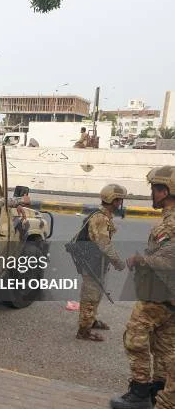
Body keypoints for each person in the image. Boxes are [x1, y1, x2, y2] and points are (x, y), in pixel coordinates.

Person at [110, 166, 175, 409]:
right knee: (165, 346)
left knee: (135, 338)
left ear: (165, 191)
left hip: (157, 296)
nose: (151, 193)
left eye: (154, 189)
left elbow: (169, 261)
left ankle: (139, 393)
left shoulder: (170, 224)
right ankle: (160, 391)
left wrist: (141, 260)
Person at [75, 184, 127, 342]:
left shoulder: (102, 215)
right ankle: (83, 331)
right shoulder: (101, 218)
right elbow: (105, 245)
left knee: (96, 293)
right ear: (114, 200)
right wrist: (119, 262)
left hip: (97, 263)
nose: (120, 204)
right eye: (119, 200)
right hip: (92, 264)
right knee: (90, 295)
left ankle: (91, 320)